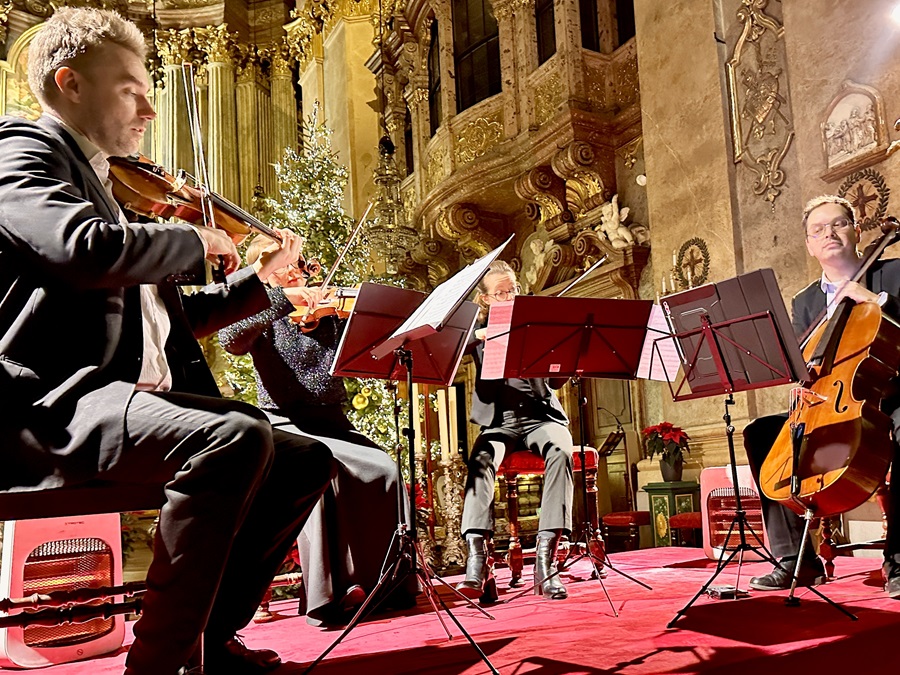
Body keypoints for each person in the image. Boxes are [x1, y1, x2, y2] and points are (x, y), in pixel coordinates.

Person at [0, 8, 338, 674]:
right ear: (70, 83)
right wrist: (193, 239)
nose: (149, 110)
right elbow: (79, 249)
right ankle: (157, 665)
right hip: (47, 407)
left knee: (303, 459)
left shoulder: (104, 185)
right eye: (131, 89)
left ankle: (209, 640)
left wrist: (262, 280)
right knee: (234, 435)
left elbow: (172, 317)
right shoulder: (20, 150)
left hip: (110, 401)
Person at [219, 236, 416, 625]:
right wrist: (282, 300)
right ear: (265, 272)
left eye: (298, 262)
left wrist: (348, 319)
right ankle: (329, 596)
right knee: (322, 472)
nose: (296, 271)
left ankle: (386, 584)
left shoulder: (329, 314)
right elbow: (231, 339)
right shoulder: (262, 310)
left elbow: (371, 351)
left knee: (386, 470)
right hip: (285, 423)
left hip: (333, 422)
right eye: (283, 265)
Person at [743, 194, 900, 595]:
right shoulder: (806, 300)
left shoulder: (894, 272)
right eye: (818, 229)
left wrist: (874, 301)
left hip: (891, 395)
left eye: (838, 224)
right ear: (810, 245)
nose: (829, 233)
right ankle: (795, 561)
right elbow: (807, 359)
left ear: (857, 232)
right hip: (832, 402)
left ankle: (898, 561)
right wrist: (800, 378)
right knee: (762, 433)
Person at [454, 260, 575, 601]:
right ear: (486, 299)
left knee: (561, 450)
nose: (510, 297)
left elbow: (555, 381)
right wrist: (480, 335)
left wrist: (568, 355)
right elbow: (450, 349)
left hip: (541, 418)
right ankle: (478, 560)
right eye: (501, 292)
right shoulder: (476, 330)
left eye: (513, 290)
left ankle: (545, 562)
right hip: (499, 423)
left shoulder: (533, 326)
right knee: (480, 461)